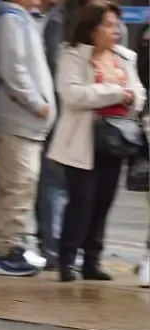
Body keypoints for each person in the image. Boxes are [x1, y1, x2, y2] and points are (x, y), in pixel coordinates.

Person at [46, 1, 144, 281]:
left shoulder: (125, 57)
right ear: (92, 29)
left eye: (117, 25)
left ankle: (92, 260)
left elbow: (138, 94)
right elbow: (74, 95)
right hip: (81, 140)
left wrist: (129, 96)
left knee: (103, 201)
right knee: (81, 201)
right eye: (108, 25)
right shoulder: (73, 55)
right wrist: (116, 92)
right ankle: (67, 260)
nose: (115, 31)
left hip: (115, 139)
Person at [0, 0, 57, 276]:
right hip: (15, 119)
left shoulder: (22, 19)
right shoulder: (10, 19)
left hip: (24, 122)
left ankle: (10, 245)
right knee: (16, 185)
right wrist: (36, 103)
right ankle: (4, 251)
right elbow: (13, 68)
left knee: (19, 186)